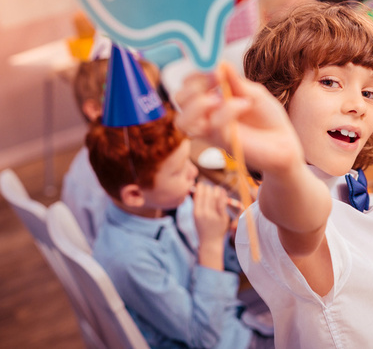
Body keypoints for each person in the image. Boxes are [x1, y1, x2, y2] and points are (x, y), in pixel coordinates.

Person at [175, 2, 373, 348]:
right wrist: (283, 166)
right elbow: (304, 223)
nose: (359, 105)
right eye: (331, 82)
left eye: (370, 93)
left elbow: (325, 155)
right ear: (278, 98)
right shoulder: (277, 216)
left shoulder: (334, 173)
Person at [87, 45, 270, 348]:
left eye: (188, 161)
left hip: (240, 320)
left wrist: (227, 238)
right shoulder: (128, 259)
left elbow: (211, 273)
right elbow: (203, 338)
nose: (192, 173)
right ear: (134, 194)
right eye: (176, 172)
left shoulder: (165, 205)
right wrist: (210, 245)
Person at [61, 55, 160, 246]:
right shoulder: (109, 177)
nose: (151, 109)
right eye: (138, 99)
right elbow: (116, 245)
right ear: (95, 109)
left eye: (151, 97)